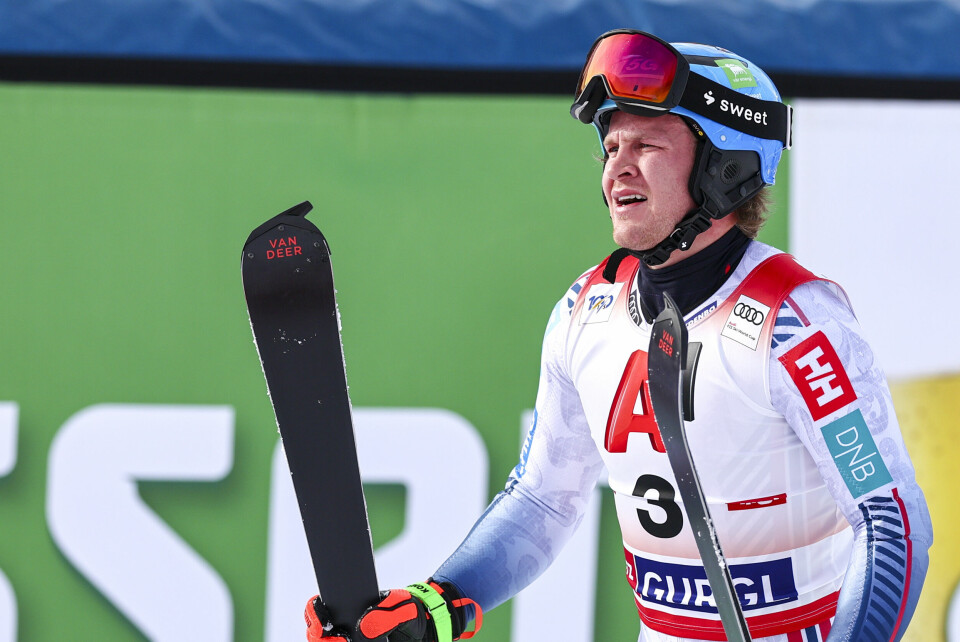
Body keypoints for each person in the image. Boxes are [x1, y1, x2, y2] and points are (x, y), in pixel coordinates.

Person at [305, 29, 932, 642]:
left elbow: (892, 526)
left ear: (724, 166)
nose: (616, 169)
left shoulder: (793, 321)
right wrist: (434, 607)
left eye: (647, 146)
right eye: (610, 148)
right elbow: (545, 500)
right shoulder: (587, 311)